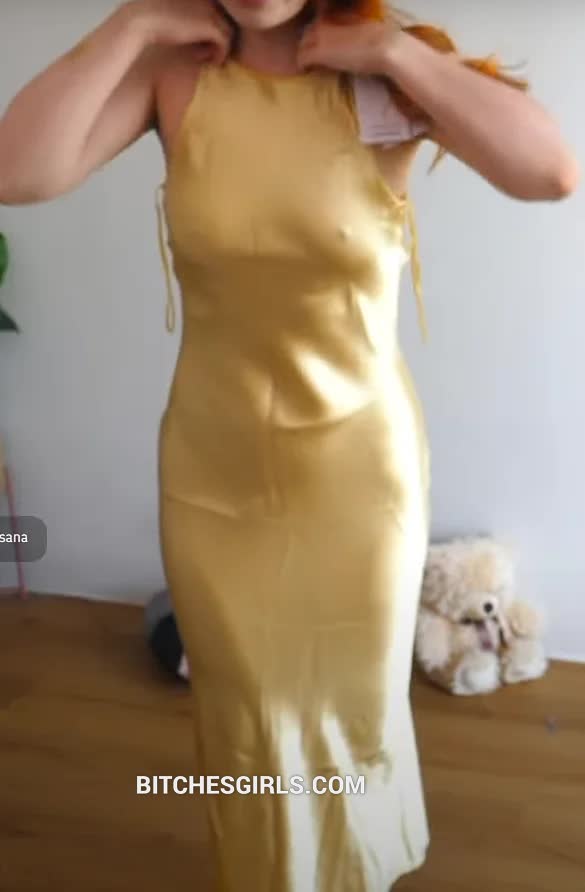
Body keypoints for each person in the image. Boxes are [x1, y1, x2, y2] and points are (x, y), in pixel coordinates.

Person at [0, 1, 579, 890]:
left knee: (353, 711)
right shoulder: (178, 79)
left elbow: (550, 172)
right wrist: (133, 24)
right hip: (212, 476)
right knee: (247, 721)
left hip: (358, 479)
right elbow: (16, 172)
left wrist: (393, 52)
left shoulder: (382, 74)